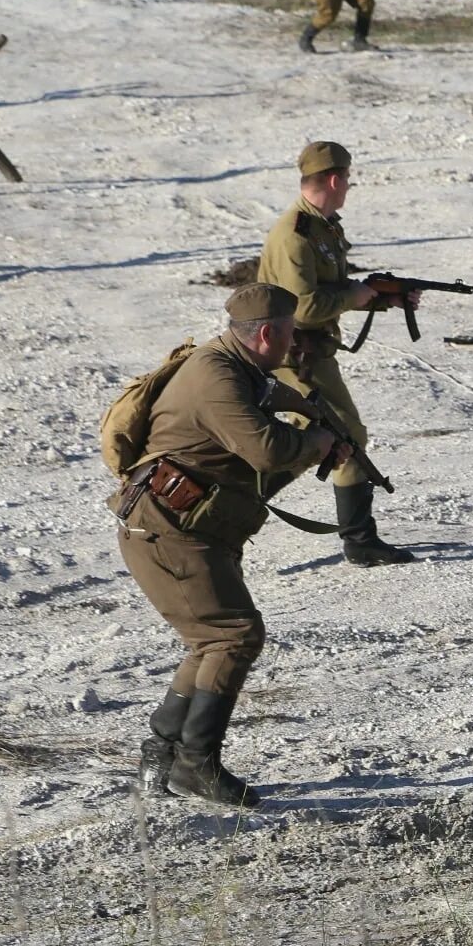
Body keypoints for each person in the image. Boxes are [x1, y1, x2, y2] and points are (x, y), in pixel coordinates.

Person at [113, 283, 345, 806]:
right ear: (267, 333)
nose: (293, 345)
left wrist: (315, 433)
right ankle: (196, 763)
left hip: (185, 526)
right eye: (288, 335)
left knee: (211, 638)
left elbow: (258, 444)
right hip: (168, 531)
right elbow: (266, 450)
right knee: (234, 636)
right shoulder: (217, 376)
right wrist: (316, 443)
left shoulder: (234, 365)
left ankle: (164, 750)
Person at [256, 141, 419, 564]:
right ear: (333, 179)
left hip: (311, 351)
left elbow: (332, 289)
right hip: (293, 355)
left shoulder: (322, 226)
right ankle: (359, 541)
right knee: (343, 435)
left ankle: (241, 503)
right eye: (346, 178)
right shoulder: (296, 235)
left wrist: (385, 298)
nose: (348, 186)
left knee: (320, 435)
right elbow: (304, 305)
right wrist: (356, 295)